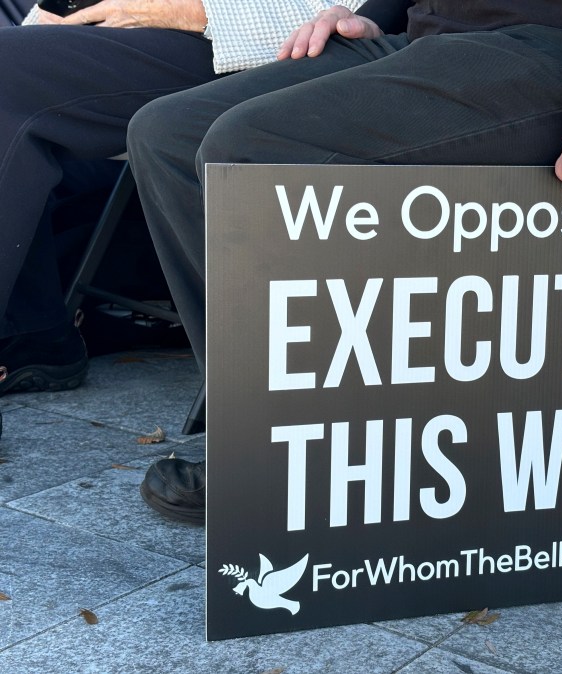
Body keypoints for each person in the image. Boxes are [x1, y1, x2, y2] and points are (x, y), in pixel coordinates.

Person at [130, 0, 562, 523]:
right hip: (433, 40)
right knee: (168, 133)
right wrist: (373, 14)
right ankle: (264, 423)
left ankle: (280, 463)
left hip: (561, 53)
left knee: (248, 150)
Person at [0, 0, 364, 400]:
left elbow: (348, 13)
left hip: (261, 40)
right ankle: (29, 329)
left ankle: (32, 330)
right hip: (157, 28)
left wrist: (186, 10)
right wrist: (47, 23)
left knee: (7, 68)